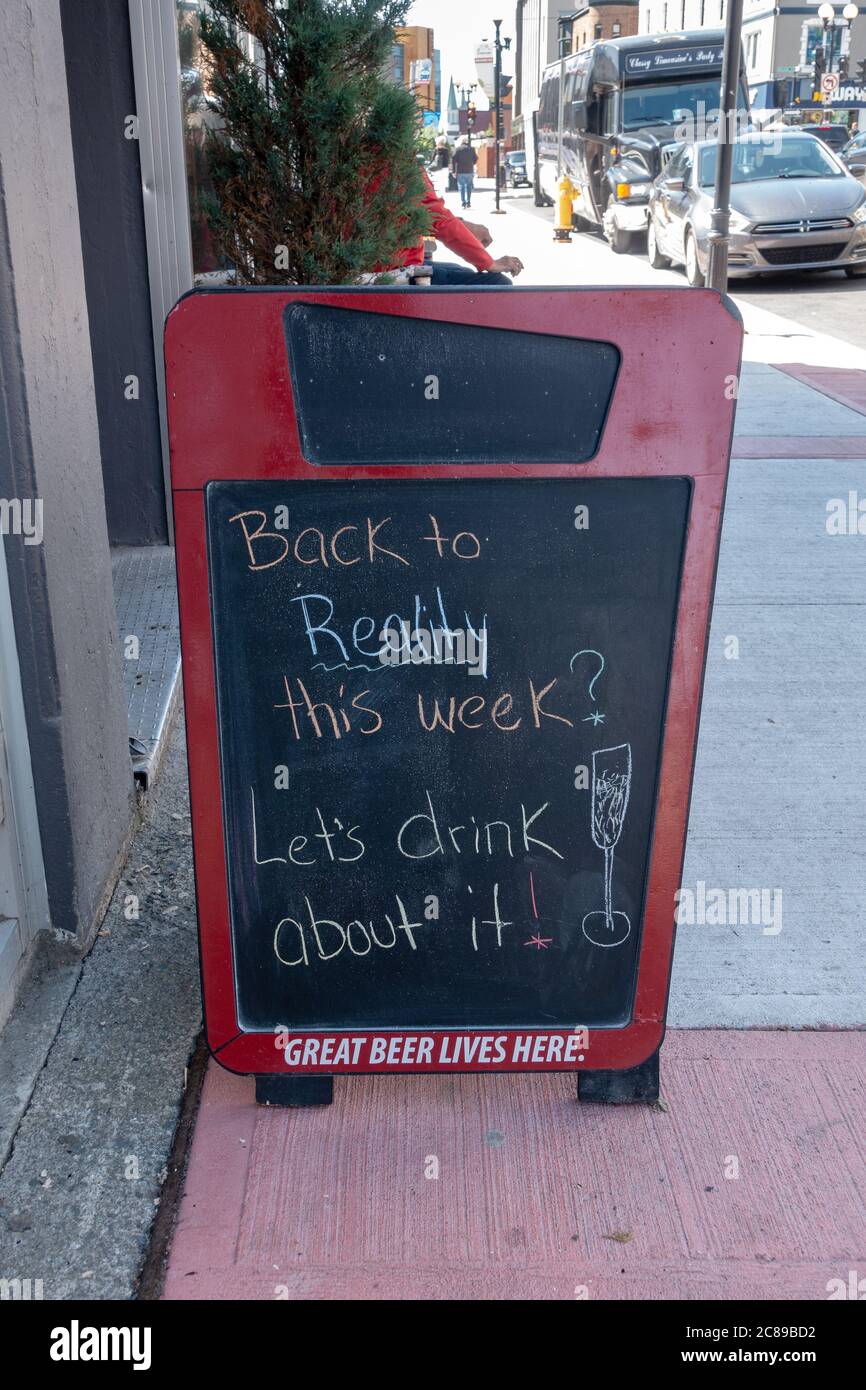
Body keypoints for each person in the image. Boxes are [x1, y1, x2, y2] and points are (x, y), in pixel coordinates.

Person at [394, 169, 524, 285]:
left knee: (462, 270)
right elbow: (435, 217)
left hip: (396, 263)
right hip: (393, 271)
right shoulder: (398, 159)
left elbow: (417, 214)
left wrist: (463, 226)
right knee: (497, 283)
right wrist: (489, 262)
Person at [452, 138, 477, 209]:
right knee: (469, 187)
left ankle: (463, 203)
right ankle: (468, 202)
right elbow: (475, 159)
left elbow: (454, 160)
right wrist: (472, 164)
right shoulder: (472, 149)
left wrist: (454, 171)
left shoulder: (458, 149)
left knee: (461, 187)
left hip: (460, 171)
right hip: (469, 171)